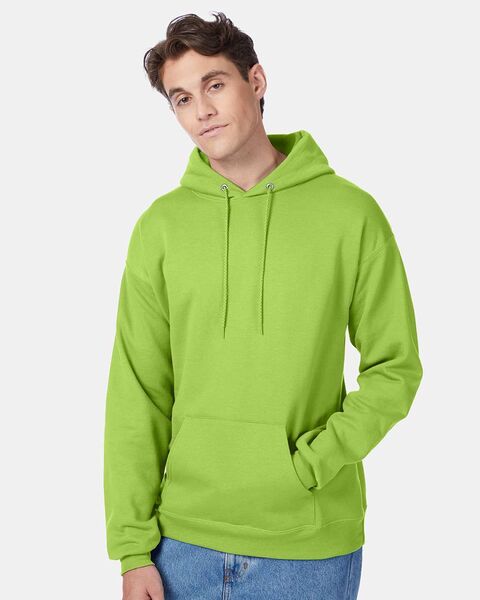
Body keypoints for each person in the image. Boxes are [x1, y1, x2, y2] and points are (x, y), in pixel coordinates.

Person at [103, 11, 423, 600]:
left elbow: (396, 368)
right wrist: (131, 549)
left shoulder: (351, 214)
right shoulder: (161, 228)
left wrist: (311, 464)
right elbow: (138, 391)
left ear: (256, 80)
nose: (201, 110)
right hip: (181, 546)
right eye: (182, 98)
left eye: (215, 85)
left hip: (309, 548)